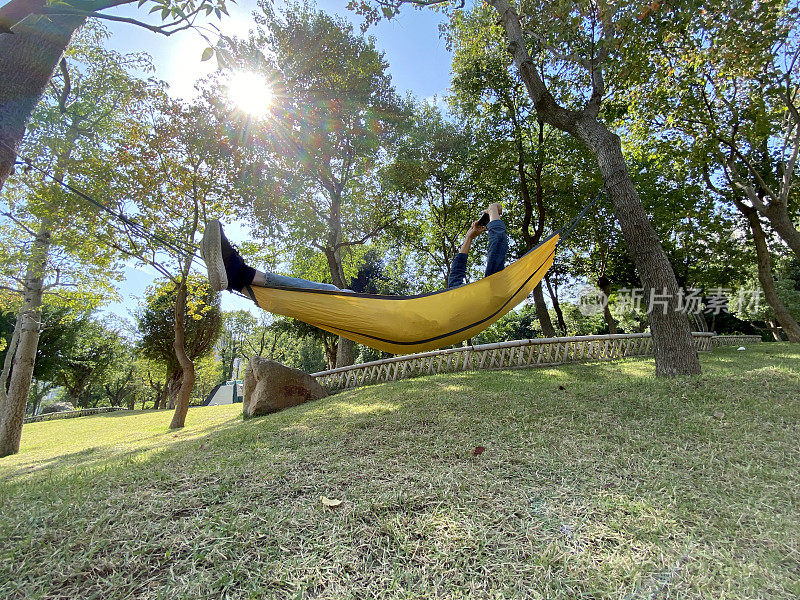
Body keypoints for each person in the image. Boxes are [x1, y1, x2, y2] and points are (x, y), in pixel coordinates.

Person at [200, 202, 507, 294]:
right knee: (338, 296)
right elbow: (457, 272)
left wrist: (494, 214)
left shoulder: (488, 292)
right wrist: (469, 237)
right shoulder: (459, 296)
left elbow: (497, 252)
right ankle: (238, 279)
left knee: (338, 295)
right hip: (413, 310)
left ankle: (239, 275)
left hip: (409, 315)